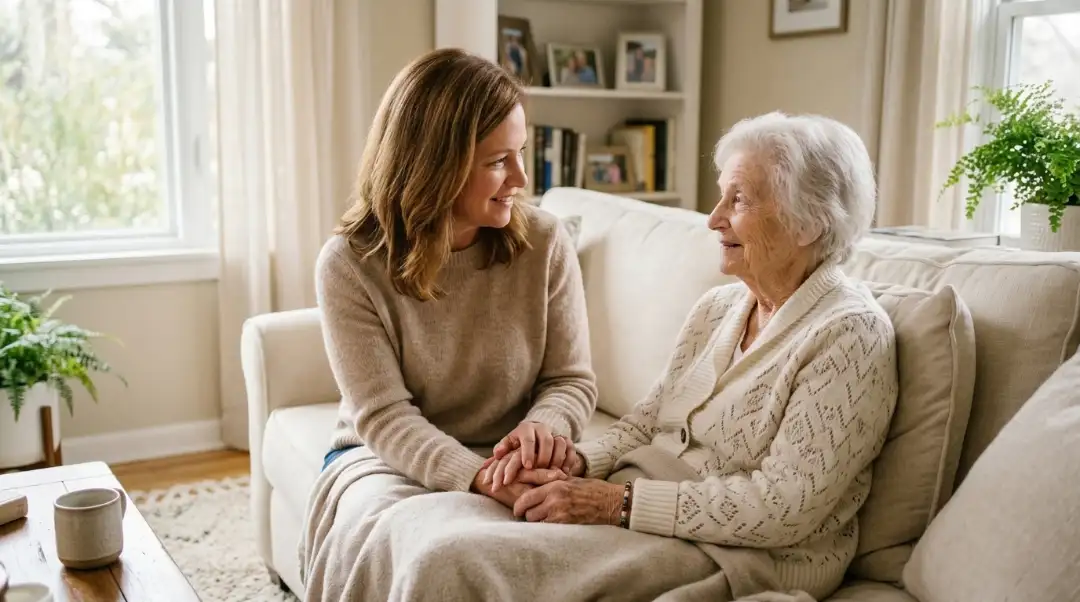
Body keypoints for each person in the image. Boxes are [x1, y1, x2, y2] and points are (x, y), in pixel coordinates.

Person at [352, 111, 899, 602]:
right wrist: (577, 463)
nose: (712, 219)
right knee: (418, 528)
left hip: (735, 552)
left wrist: (615, 503)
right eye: (719, 196)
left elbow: (783, 508)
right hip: (638, 507)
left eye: (739, 200)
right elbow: (645, 421)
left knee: (448, 565)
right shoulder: (721, 308)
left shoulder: (849, 336)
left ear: (810, 221)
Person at [298, 48, 598, 600]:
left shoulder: (546, 243)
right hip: (385, 459)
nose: (521, 178)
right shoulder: (349, 263)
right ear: (433, 163)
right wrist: (479, 477)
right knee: (416, 551)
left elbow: (570, 380)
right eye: (497, 161)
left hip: (509, 454)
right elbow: (384, 417)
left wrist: (543, 434)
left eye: (521, 153)